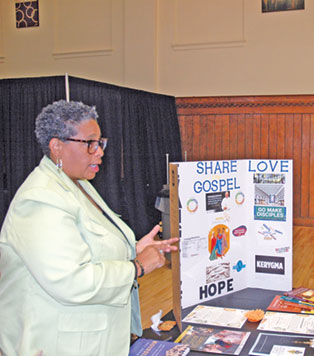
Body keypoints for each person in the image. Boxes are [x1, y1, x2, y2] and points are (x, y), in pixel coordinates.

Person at [0, 100, 179, 356]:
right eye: (90, 144)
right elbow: (71, 281)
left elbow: (86, 246)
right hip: (56, 344)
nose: (100, 152)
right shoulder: (40, 198)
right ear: (57, 146)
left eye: (100, 143)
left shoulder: (78, 184)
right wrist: (137, 266)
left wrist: (135, 249)